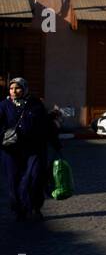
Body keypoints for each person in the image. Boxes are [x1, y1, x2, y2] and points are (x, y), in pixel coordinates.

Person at [0, 78, 61, 221]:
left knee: (35, 178)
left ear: (25, 89)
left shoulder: (35, 104)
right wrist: (5, 135)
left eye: (18, 88)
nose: (14, 91)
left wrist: (56, 144)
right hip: (12, 151)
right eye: (11, 88)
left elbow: (46, 125)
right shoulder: (4, 106)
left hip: (34, 149)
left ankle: (35, 207)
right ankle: (18, 210)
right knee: (14, 181)